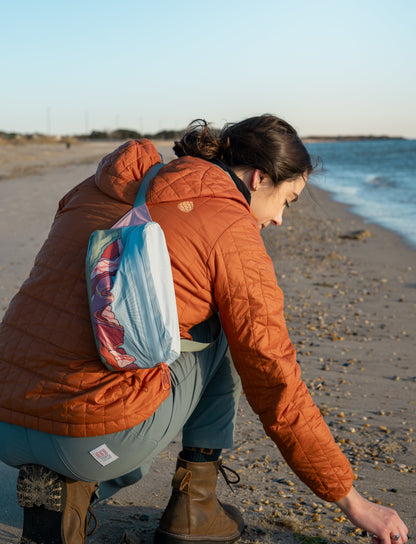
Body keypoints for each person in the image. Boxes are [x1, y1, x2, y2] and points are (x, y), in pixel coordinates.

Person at [0, 114, 408, 544]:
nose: (280, 220)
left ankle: (69, 490)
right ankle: (191, 508)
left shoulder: (97, 185)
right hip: (87, 441)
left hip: (7, 417)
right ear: (259, 178)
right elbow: (275, 379)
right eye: (287, 201)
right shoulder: (229, 226)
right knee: (233, 335)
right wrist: (352, 501)